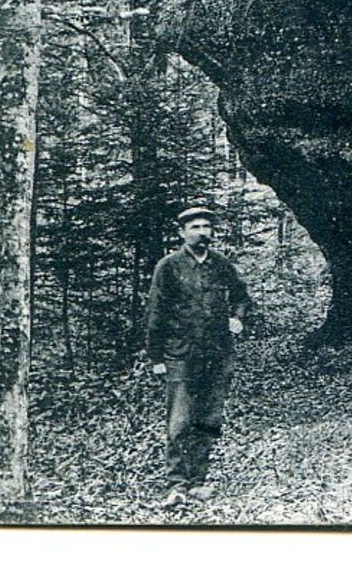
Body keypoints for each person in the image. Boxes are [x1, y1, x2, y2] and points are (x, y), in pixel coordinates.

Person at [145, 206, 252, 506]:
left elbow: (242, 297)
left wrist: (238, 318)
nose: (202, 232)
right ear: (182, 232)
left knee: (208, 418)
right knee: (179, 421)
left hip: (217, 355)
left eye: (206, 226)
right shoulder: (169, 266)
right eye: (195, 227)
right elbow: (156, 311)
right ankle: (176, 484)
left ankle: (198, 481)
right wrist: (156, 358)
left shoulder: (221, 265)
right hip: (180, 355)